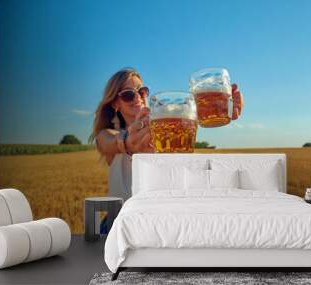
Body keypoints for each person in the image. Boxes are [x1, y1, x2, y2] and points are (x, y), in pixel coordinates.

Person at [89, 67, 244, 202]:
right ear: (115, 103)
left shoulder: (162, 129)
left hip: (156, 217)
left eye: (142, 92)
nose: (138, 97)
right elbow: (106, 141)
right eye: (128, 94)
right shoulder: (107, 135)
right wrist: (127, 143)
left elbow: (182, 121)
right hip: (118, 218)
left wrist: (217, 107)